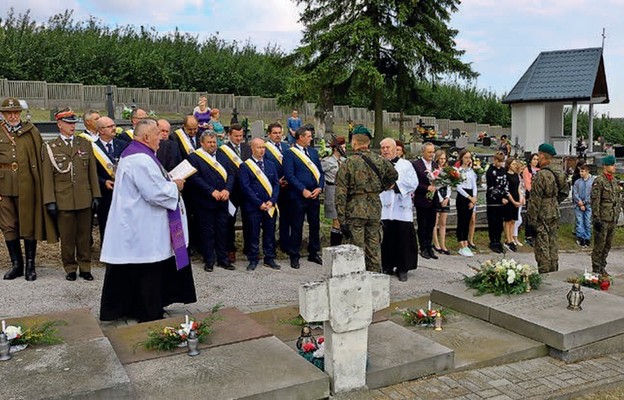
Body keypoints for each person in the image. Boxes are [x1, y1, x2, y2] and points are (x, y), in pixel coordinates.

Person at [99, 119, 196, 323]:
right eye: (157, 134)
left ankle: (134, 307)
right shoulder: (140, 160)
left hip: (138, 221)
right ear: (145, 137)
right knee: (147, 268)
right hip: (141, 224)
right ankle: (147, 311)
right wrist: (175, 186)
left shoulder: (136, 154)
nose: (161, 139)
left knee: (139, 268)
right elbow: (154, 192)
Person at [0, 97, 56, 281]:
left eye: (16, 112)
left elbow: (41, 158)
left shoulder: (31, 131)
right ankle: (17, 264)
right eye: (9, 113)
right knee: (8, 225)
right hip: (3, 185)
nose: (13, 116)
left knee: (28, 223)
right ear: (3, 114)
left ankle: (30, 264)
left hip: (27, 183)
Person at [42, 108, 101, 281]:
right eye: (68, 123)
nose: (72, 126)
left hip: (84, 197)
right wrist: (50, 200)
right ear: (59, 124)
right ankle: (69, 267)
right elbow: (47, 177)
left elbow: (92, 173)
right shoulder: (51, 147)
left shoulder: (84, 144)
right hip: (63, 199)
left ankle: (85, 266)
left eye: (74, 123)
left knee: (84, 236)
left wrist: (96, 195)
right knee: (67, 237)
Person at [336, 128, 397, 272]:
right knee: (374, 248)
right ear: (368, 143)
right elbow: (393, 176)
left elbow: (340, 194)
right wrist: (379, 189)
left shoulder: (348, 163)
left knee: (355, 250)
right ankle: (375, 280)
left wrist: (341, 218)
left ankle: (356, 281)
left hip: (355, 210)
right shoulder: (380, 161)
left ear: (354, 142)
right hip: (374, 208)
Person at [186, 132, 235, 272]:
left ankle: (223, 260)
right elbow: (195, 178)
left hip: (222, 200)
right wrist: (211, 191)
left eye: (214, 142)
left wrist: (227, 190)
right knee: (207, 232)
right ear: (202, 143)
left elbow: (231, 174)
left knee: (222, 231)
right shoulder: (194, 157)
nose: (212, 145)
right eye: (209, 142)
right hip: (204, 202)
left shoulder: (222, 155)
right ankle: (209, 260)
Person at [283, 126, 325, 268]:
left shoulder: (313, 152)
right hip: (298, 196)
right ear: (300, 137)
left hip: (314, 194)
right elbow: (289, 175)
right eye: (308, 136)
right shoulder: (290, 153)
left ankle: (313, 252)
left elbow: (320, 172)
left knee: (315, 225)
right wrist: (302, 190)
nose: (311, 138)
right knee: (296, 225)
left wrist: (320, 187)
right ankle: (294, 254)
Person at [239, 138, 281, 271]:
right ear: (252, 148)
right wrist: (259, 203)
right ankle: (253, 258)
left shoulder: (270, 164)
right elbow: (245, 187)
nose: (262, 150)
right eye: (259, 147)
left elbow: (276, 184)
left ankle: (269, 258)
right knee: (253, 233)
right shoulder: (245, 166)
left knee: (269, 232)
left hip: (269, 206)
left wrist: (272, 200)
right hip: (254, 207)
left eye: (263, 147)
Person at [379, 138, 418, 281]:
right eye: (382, 148)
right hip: (384, 207)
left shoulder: (406, 165)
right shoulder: (378, 164)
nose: (385, 150)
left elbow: (413, 182)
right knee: (386, 238)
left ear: (396, 149)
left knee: (402, 238)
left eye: (388, 147)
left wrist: (395, 186)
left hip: (401, 209)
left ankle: (403, 268)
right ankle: (387, 265)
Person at [527, 143, 569, 273]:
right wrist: (554, 202)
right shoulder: (559, 172)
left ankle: (545, 275)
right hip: (554, 212)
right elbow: (565, 192)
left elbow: (535, 201)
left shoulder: (541, 175)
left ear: (541, 155)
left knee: (542, 246)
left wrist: (531, 222)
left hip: (541, 214)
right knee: (553, 244)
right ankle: (554, 272)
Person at [218, 123, 251, 263]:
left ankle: (249, 248)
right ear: (229, 135)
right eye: (236, 136)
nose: (239, 138)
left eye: (241, 136)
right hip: (231, 191)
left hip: (247, 191)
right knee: (229, 221)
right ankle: (230, 249)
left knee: (249, 220)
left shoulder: (247, 148)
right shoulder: (222, 151)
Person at [93, 116, 127, 243]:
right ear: (101, 130)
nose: (114, 128)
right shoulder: (92, 148)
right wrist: (103, 182)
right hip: (105, 194)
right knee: (106, 224)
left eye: (114, 125)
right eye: (110, 126)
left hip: (123, 192)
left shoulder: (123, 145)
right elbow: (91, 173)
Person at [591, 155, 621, 275]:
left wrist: (617, 213)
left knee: (608, 245)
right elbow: (595, 201)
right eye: (612, 165)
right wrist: (596, 218)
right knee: (599, 246)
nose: (614, 167)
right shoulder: (599, 181)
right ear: (605, 166)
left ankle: (602, 267)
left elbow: (617, 199)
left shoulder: (613, 181)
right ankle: (596, 270)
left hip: (612, 218)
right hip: (602, 219)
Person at [264, 122, 291, 252]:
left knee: (286, 217)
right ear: (269, 134)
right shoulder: (265, 148)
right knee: (271, 218)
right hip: (271, 187)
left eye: (279, 133)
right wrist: (275, 181)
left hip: (286, 187)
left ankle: (285, 243)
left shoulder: (287, 147)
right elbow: (262, 168)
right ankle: (270, 245)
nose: (277, 135)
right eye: (274, 133)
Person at [412, 142, 439, 260]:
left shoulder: (435, 164)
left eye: (433, 152)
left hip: (433, 199)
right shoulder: (416, 165)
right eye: (429, 152)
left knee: (431, 224)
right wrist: (426, 188)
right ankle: (423, 247)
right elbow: (413, 183)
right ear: (423, 152)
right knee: (423, 224)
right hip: (422, 199)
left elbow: (439, 179)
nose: (431, 154)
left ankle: (429, 246)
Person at [320, 136, 346, 246]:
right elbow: (319, 173)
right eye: (343, 147)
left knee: (343, 219)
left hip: (343, 190)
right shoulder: (327, 161)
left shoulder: (345, 161)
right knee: (336, 220)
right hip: (332, 189)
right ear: (336, 148)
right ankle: (334, 246)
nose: (344, 150)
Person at [456, 149, 478, 257]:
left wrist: (474, 198)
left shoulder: (471, 171)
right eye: (466, 157)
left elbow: (474, 185)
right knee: (462, 220)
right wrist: (469, 197)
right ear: (461, 158)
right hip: (463, 196)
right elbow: (458, 186)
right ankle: (461, 243)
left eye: (469, 157)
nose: (468, 159)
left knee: (468, 220)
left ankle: (466, 242)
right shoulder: (458, 171)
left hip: (471, 196)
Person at [486, 151, 508, 254]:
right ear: (495, 160)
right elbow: (491, 187)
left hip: (502, 202)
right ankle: (493, 241)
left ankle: (498, 241)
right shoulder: (490, 171)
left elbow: (505, 184)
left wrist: (505, 195)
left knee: (500, 223)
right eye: (498, 161)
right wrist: (500, 197)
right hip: (493, 200)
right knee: (493, 222)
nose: (500, 164)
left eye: (502, 162)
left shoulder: (503, 171)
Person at [432, 150, 451, 255]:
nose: (442, 161)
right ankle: (436, 243)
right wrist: (440, 198)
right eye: (441, 159)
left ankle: (443, 244)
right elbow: (434, 184)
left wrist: (447, 197)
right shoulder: (434, 170)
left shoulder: (447, 170)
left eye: (444, 159)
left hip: (445, 196)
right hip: (437, 195)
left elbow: (449, 184)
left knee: (443, 222)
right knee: (435, 221)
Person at [503, 157, 522, 252]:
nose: (515, 166)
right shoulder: (506, 175)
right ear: (509, 165)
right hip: (510, 199)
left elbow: (518, 187)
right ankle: (508, 240)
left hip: (516, 197)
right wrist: (513, 201)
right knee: (508, 220)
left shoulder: (516, 175)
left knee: (513, 221)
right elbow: (506, 190)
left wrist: (520, 197)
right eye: (513, 164)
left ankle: (510, 238)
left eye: (515, 164)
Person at [573, 164, 594, 248]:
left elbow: (592, 194)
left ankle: (587, 237)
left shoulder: (592, 182)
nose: (580, 173)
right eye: (580, 171)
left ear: (587, 171)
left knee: (587, 221)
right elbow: (575, 193)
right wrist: (579, 202)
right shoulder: (577, 182)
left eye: (582, 171)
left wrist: (585, 203)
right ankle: (581, 237)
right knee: (579, 221)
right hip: (579, 205)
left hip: (588, 205)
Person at [522, 153, 540, 246]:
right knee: (530, 215)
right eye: (534, 159)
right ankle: (528, 235)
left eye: (537, 159)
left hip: (539, 195)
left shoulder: (539, 170)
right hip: (530, 195)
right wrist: (533, 192)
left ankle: (535, 234)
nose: (535, 161)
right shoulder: (527, 170)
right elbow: (527, 184)